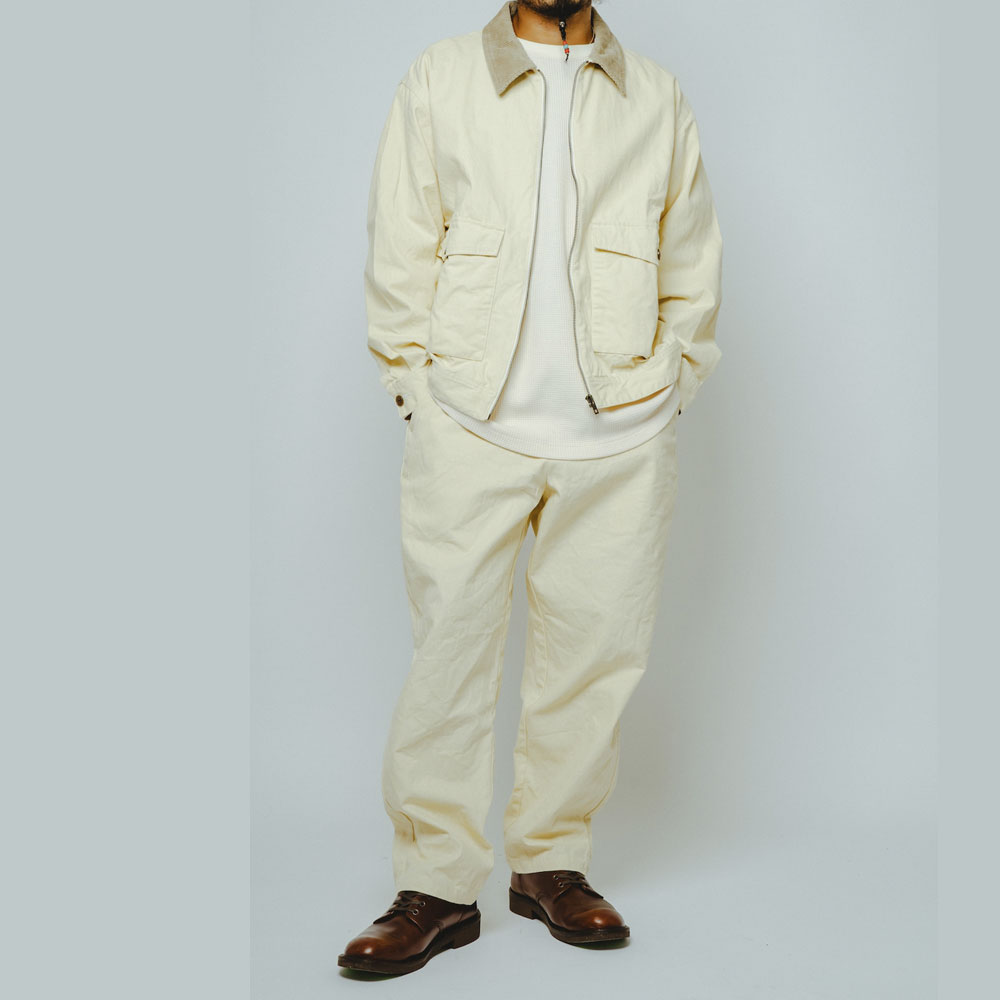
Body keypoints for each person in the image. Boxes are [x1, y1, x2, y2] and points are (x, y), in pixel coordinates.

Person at [339, 0, 723, 976]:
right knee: (449, 659)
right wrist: (416, 394)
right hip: (468, 422)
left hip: (622, 431)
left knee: (594, 660)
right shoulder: (440, 77)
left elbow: (691, 256)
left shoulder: (655, 95)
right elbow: (400, 240)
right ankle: (435, 886)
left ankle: (550, 863)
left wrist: (673, 384)